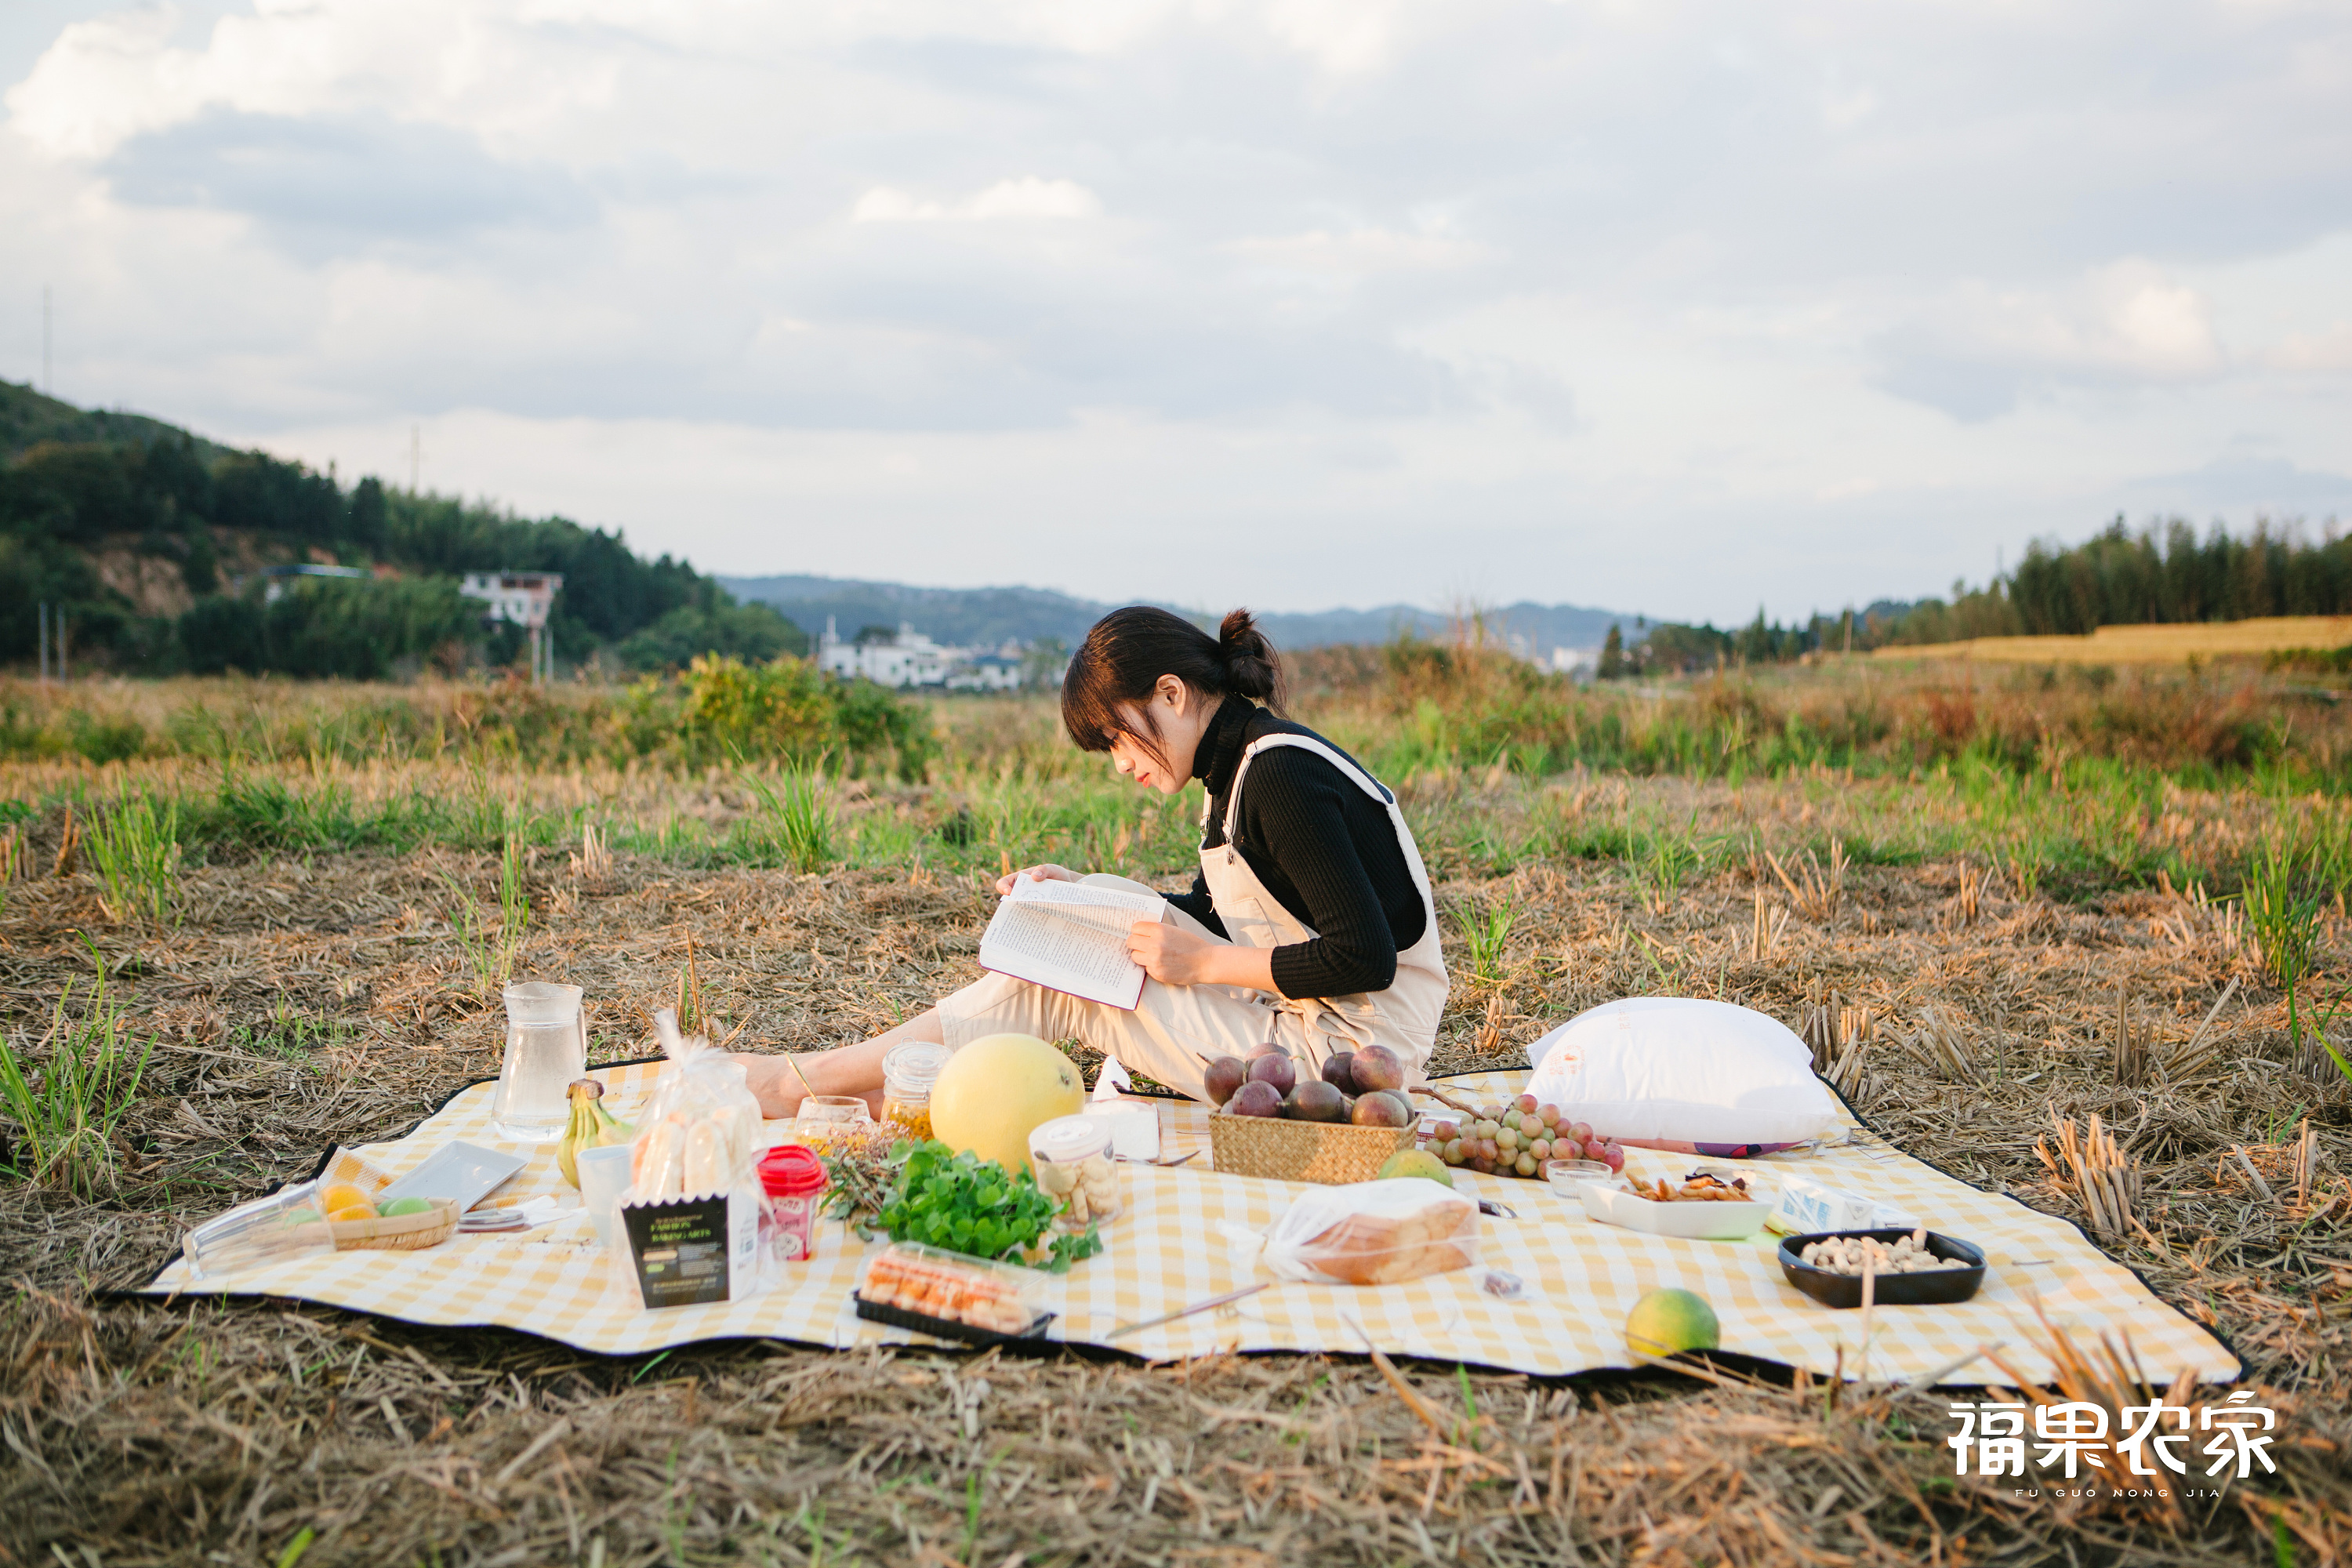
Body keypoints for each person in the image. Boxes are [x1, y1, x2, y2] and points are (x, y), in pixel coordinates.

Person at [736, 606, 1448, 1115]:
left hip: (1353, 1059)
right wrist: (1078, 894)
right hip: (1312, 1020)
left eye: (1118, 738)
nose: (1119, 764)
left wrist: (1199, 967)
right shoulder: (1240, 766)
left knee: (1073, 980)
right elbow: (1219, 913)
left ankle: (801, 1082)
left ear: (1171, 693)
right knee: (1091, 923)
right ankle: (855, 1092)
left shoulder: (1278, 775)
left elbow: (1364, 957)